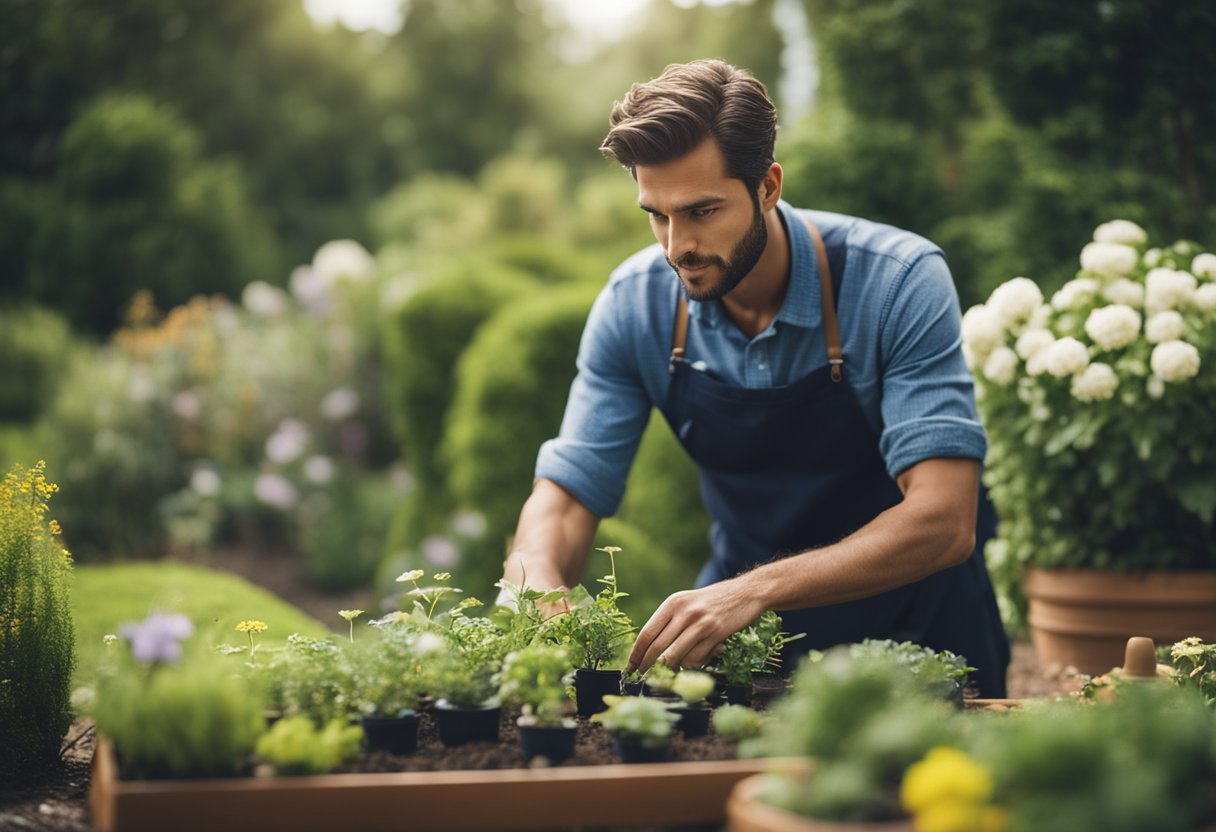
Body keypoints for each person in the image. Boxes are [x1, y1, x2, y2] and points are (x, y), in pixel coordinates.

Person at [501, 59, 1010, 696]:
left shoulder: (897, 281)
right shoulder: (635, 305)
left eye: (701, 210)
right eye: (656, 214)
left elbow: (944, 518)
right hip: (749, 654)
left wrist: (752, 590)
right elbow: (563, 503)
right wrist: (540, 599)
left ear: (768, 187)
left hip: (921, 643)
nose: (675, 247)